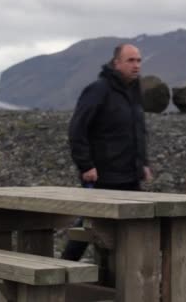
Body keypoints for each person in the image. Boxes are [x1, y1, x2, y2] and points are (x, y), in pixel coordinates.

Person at [61, 43, 152, 261]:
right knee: (90, 226)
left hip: (130, 175)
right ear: (116, 63)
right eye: (131, 60)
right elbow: (77, 128)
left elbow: (137, 131)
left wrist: (143, 164)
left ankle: (119, 280)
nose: (136, 65)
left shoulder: (133, 92)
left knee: (134, 227)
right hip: (102, 175)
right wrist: (86, 165)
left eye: (139, 60)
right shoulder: (99, 89)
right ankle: (63, 269)